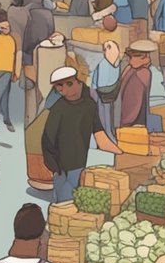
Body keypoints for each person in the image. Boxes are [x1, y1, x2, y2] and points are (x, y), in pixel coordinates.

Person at [41, 67, 122, 203]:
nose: (64, 90)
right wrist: (55, 166)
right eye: (59, 86)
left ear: (80, 82)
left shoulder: (89, 105)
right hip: (61, 167)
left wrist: (121, 154)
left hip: (80, 164)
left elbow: (99, 134)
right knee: (63, 203)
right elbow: (48, 139)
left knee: (75, 201)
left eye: (69, 84)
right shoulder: (59, 108)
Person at [118, 40, 156, 127]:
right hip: (130, 118)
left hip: (129, 118)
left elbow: (134, 101)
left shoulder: (135, 71)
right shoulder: (139, 71)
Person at [90, 40, 123, 138]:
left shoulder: (109, 63)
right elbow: (103, 83)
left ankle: (109, 134)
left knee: (107, 114)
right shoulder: (111, 63)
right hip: (105, 92)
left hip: (105, 92)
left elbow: (102, 83)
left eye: (105, 49)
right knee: (107, 115)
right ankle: (109, 135)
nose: (104, 51)